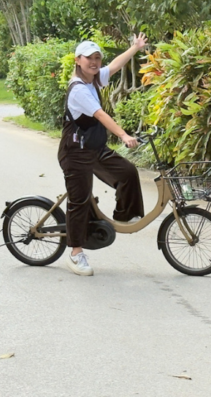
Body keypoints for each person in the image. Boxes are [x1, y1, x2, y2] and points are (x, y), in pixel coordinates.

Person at [59, 34, 148, 276]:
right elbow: (100, 115)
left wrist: (134, 48)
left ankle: (124, 216)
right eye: (89, 58)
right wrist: (124, 135)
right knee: (80, 200)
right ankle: (76, 254)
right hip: (75, 153)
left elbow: (116, 65)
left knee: (127, 172)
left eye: (97, 58)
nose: (95, 62)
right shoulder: (78, 89)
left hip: (94, 149)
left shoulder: (94, 80)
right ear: (78, 60)